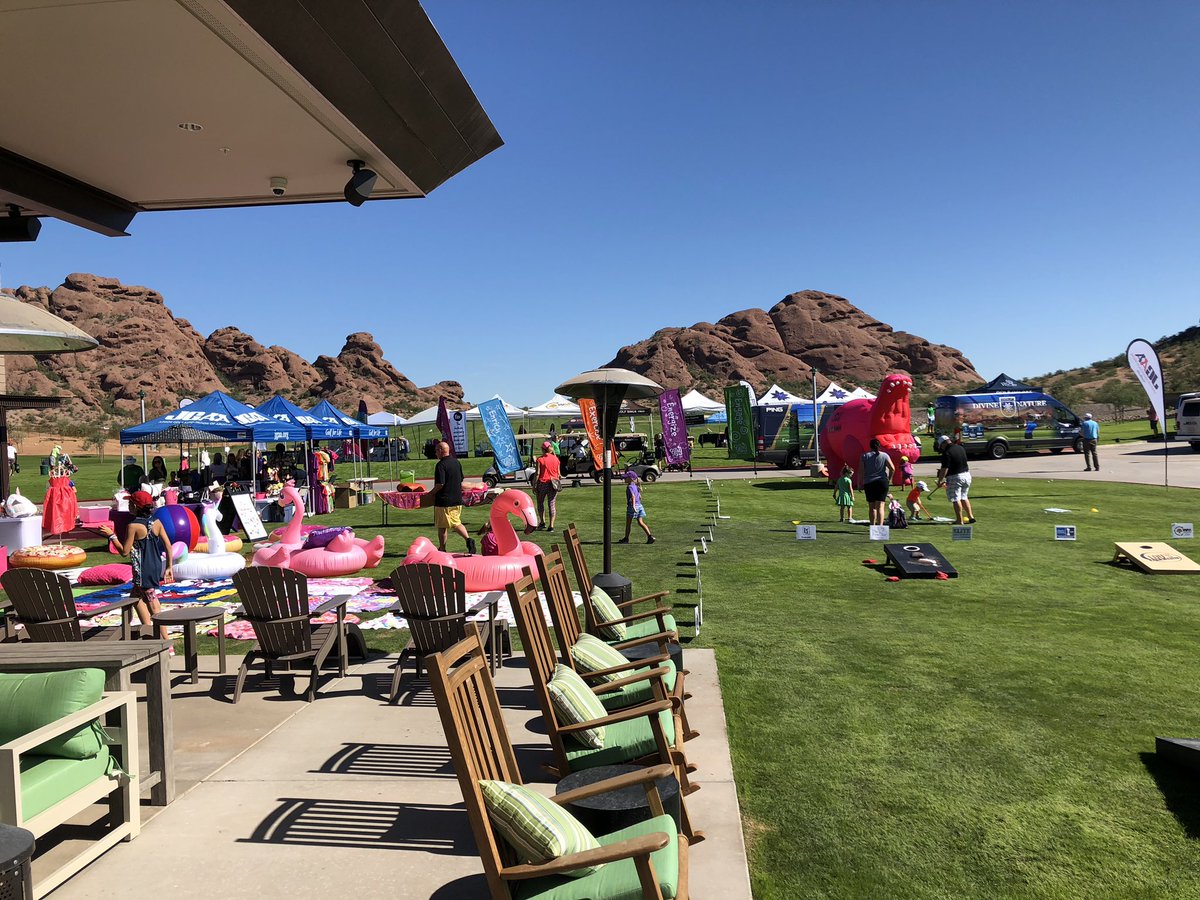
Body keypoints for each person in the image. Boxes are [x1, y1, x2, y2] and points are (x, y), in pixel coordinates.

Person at [99, 491, 172, 642]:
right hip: (154, 566)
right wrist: (169, 566)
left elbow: (124, 552)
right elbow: (168, 545)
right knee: (135, 598)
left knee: (153, 604)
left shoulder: (133, 526)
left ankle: (166, 642)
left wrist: (111, 536)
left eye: (130, 503)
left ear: (135, 506)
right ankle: (148, 632)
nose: (128, 506)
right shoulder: (157, 522)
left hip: (142, 570)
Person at [429, 441, 475, 554]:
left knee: (445, 526)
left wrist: (431, 493)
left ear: (441, 450)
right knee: (454, 522)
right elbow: (461, 480)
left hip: (444, 501)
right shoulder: (456, 463)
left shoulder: (440, 465)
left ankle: (444, 548)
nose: (435, 453)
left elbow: (440, 484)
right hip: (457, 499)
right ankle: (466, 540)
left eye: (436, 450)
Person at [935, 434, 974, 524]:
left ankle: (959, 520)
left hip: (955, 477)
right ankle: (971, 517)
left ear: (944, 443)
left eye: (941, 446)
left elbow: (945, 468)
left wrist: (940, 480)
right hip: (967, 475)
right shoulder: (960, 448)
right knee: (964, 497)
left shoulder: (947, 452)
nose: (942, 448)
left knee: (956, 499)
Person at [859, 438, 895, 526]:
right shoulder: (885, 455)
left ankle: (873, 526)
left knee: (872, 507)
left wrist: (860, 483)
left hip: (869, 482)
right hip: (882, 482)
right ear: (879, 446)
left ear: (870, 446)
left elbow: (861, 471)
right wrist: (889, 479)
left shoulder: (865, 456)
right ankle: (880, 527)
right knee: (880, 506)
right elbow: (892, 468)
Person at [617, 469, 655, 544]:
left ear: (630, 478)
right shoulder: (635, 486)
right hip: (640, 506)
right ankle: (650, 536)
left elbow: (633, 496)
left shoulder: (630, 487)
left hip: (632, 506)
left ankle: (626, 539)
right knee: (640, 522)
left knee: (628, 523)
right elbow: (639, 496)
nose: (624, 479)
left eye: (626, 478)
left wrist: (633, 506)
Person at [534, 441, 561, 532]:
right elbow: (559, 474)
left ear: (543, 449)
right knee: (551, 504)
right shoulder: (556, 459)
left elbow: (537, 474)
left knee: (540, 503)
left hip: (543, 482)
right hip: (554, 483)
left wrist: (534, 485)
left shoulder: (540, 459)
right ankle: (551, 525)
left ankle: (542, 522)